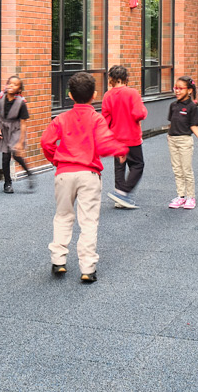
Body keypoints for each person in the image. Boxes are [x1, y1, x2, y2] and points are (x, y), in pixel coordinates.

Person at [41, 71, 122, 284]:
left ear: (70, 94)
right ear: (94, 95)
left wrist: (56, 161)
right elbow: (105, 144)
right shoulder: (97, 119)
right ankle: (87, 268)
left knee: (63, 216)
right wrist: (121, 149)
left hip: (64, 173)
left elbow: (46, 142)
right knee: (88, 221)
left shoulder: (61, 118)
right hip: (89, 174)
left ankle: (58, 260)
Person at [100, 65, 147, 209]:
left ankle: (119, 195)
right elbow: (139, 114)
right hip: (131, 137)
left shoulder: (107, 95)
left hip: (116, 137)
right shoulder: (132, 93)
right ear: (126, 79)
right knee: (138, 165)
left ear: (111, 80)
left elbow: (105, 119)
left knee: (119, 167)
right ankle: (124, 192)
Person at [163, 75, 198, 208]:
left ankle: (191, 197)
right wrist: (169, 135)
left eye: (180, 88)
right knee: (177, 169)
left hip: (185, 141)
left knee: (186, 170)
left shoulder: (191, 107)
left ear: (189, 90)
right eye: (175, 88)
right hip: (172, 140)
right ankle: (181, 196)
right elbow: (171, 123)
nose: (177, 91)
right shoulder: (173, 105)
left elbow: (193, 125)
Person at [0, 74, 33, 193]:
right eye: (10, 83)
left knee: (15, 154)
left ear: (19, 89)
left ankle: (29, 174)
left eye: (15, 84)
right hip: (4, 128)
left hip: (16, 129)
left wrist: (21, 142)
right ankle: (7, 183)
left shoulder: (21, 103)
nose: (11, 85)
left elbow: (23, 124)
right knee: (5, 157)